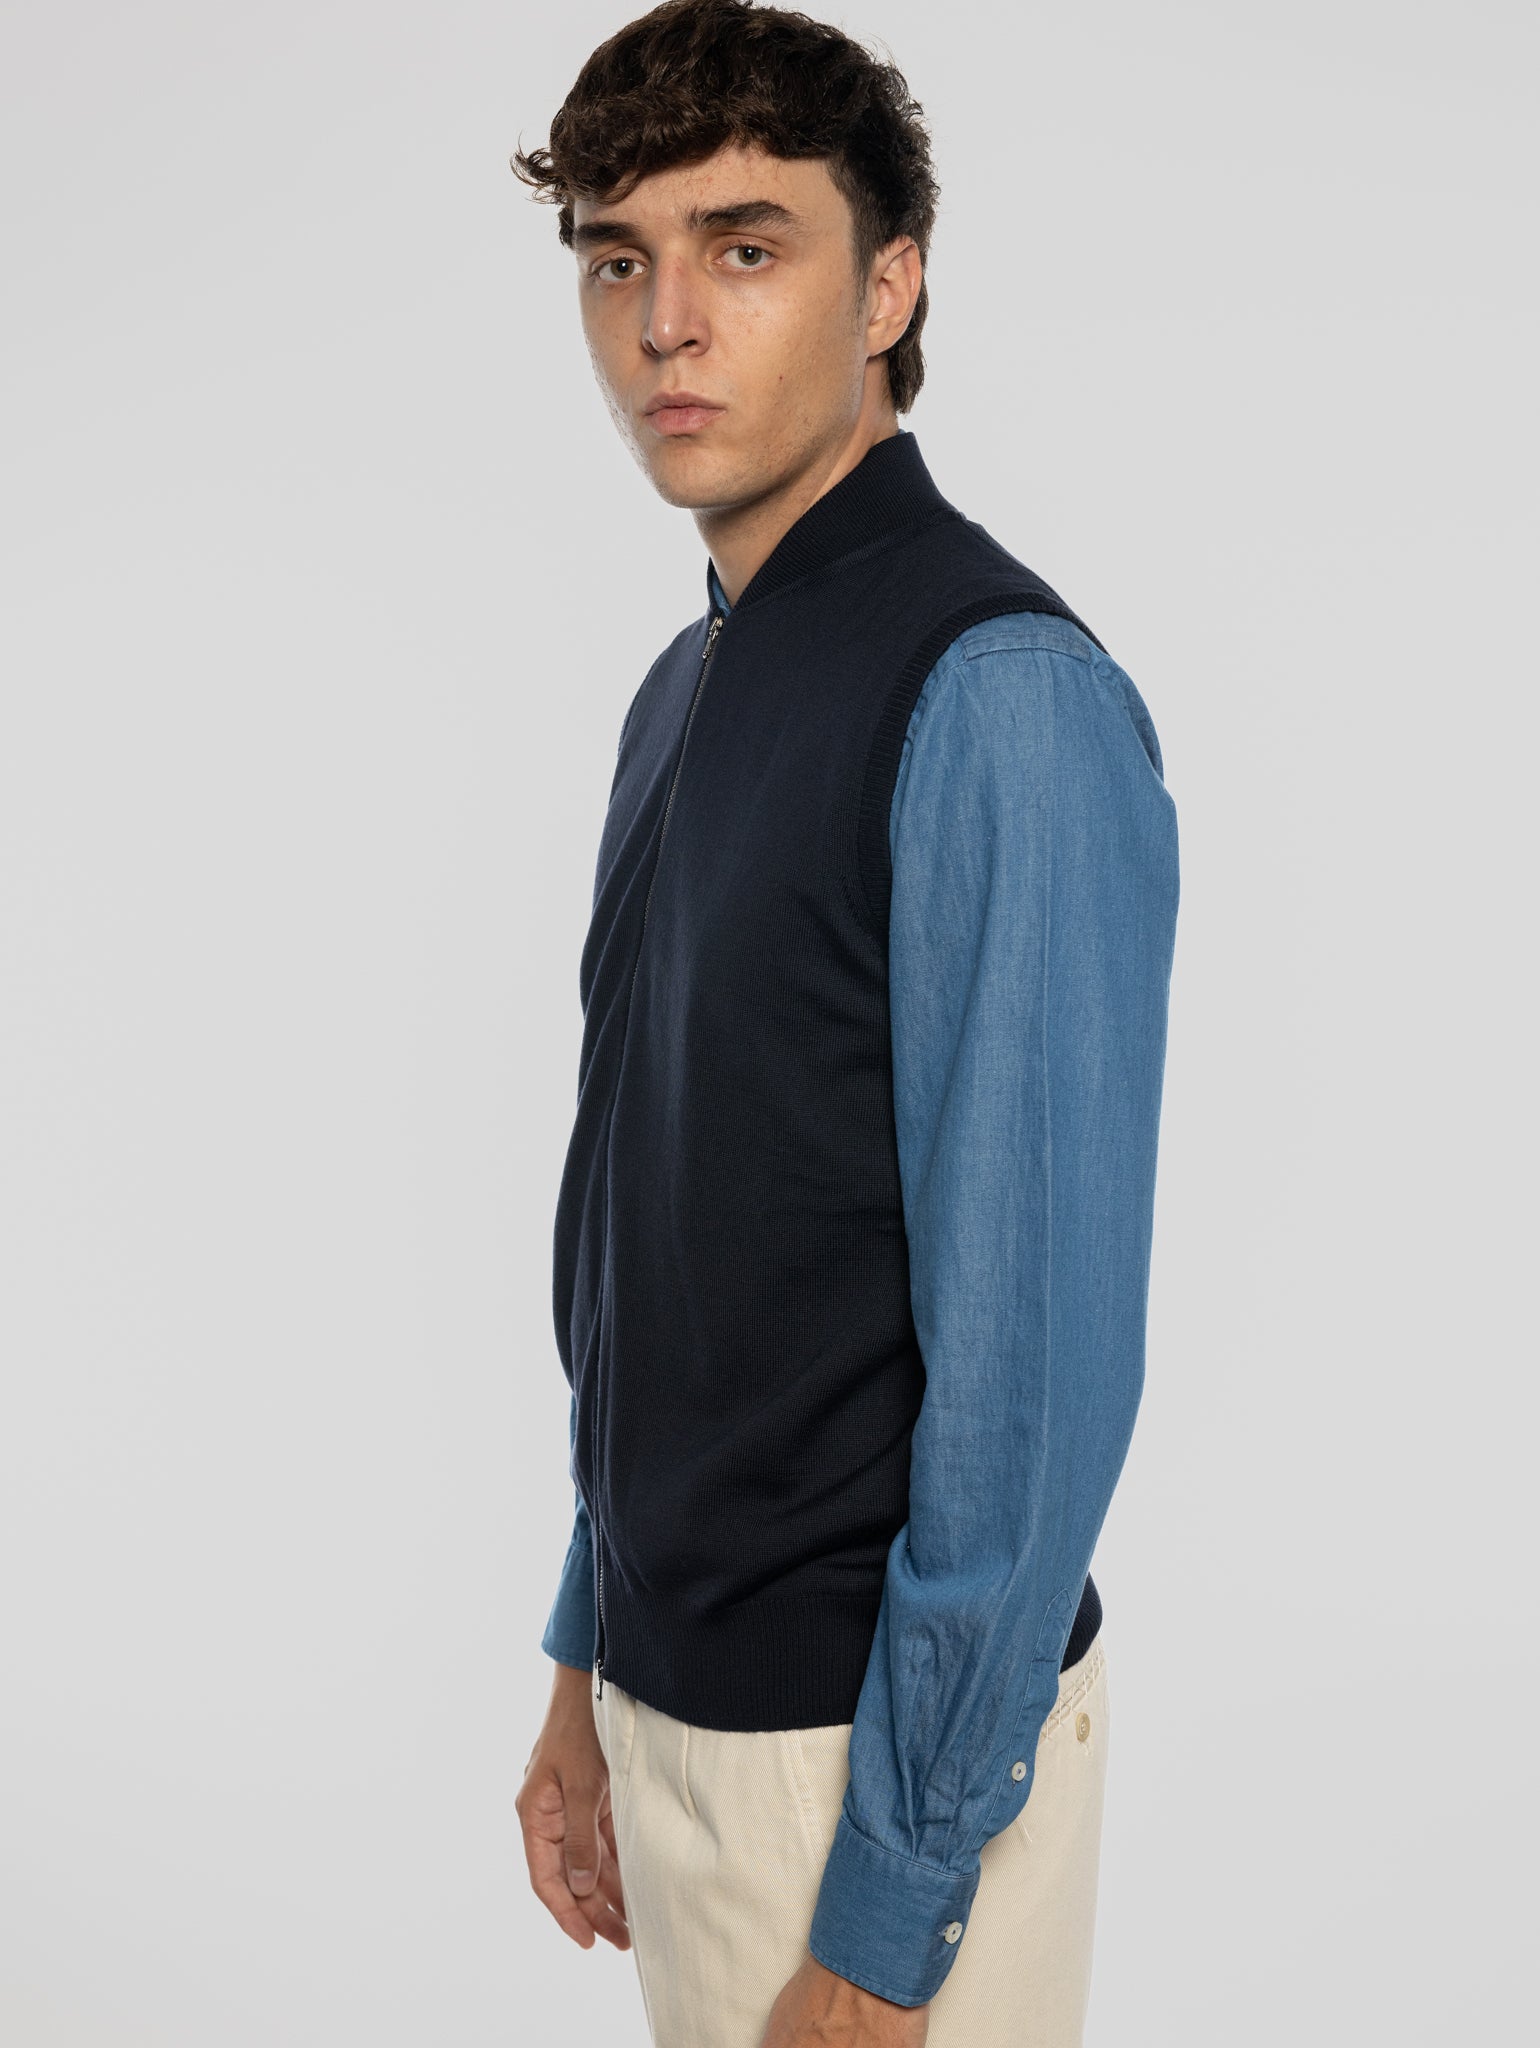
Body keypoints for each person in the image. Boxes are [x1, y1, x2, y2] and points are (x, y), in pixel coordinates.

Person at [510, 4, 1180, 2043]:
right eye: (616, 260)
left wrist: (892, 1909)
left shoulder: (995, 695)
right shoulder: (686, 688)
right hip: (683, 1716)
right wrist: (584, 1662)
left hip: (869, 1769)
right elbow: (672, 1224)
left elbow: (1032, 1376)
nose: (664, 324)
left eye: (745, 247)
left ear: (887, 289)